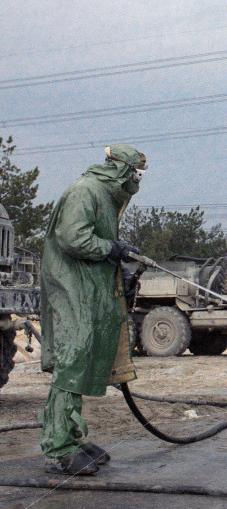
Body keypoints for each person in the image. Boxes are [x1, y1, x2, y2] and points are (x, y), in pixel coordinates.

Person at [38, 145, 146, 475]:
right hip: (71, 287)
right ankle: (58, 449)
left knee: (84, 360)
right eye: (135, 173)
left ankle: (71, 437)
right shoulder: (85, 191)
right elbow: (73, 238)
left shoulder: (103, 195)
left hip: (88, 288)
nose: (137, 180)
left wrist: (120, 267)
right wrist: (111, 248)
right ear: (121, 169)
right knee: (73, 358)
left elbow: (95, 243)